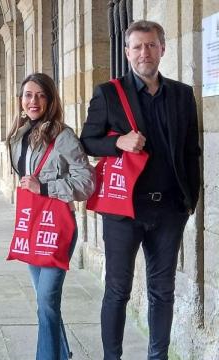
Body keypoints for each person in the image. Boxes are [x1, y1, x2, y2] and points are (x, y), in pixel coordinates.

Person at [80, 20, 201, 360]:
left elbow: (192, 150)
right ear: (127, 52)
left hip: (169, 211)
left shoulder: (181, 94)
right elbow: (87, 141)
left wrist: (190, 200)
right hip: (123, 211)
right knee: (117, 290)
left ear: (162, 49)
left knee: (162, 291)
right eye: (137, 46)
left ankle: (157, 356)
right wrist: (118, 141)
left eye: (151, 45)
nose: (144, 52)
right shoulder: (109, 92)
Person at [6, 73, 95, 360]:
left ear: (50, 100)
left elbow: (86, 182)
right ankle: (62, 353)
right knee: (46, 304)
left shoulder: (63, 135)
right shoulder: (17, 135)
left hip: (56, 227)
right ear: (21, 99)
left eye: (41, 95)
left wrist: (45, 186)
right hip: (31, 223)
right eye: (29, 94)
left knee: (46, 300)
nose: (34, 101)